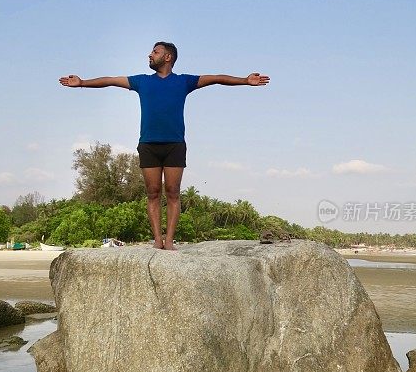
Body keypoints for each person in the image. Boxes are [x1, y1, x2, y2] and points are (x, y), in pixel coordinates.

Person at [60, 41, 270, 250]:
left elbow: (216, 78)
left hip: (174, 145)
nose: (150, 55)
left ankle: (169, 240)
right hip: (148, 144)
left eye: (155, 51)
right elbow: (110, 80)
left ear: (168, 57)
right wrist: (82, 83)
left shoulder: (184, 82)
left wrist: (244, 80)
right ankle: (157, 240)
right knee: (152, 193)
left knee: (173, 192)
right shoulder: (142, 82)